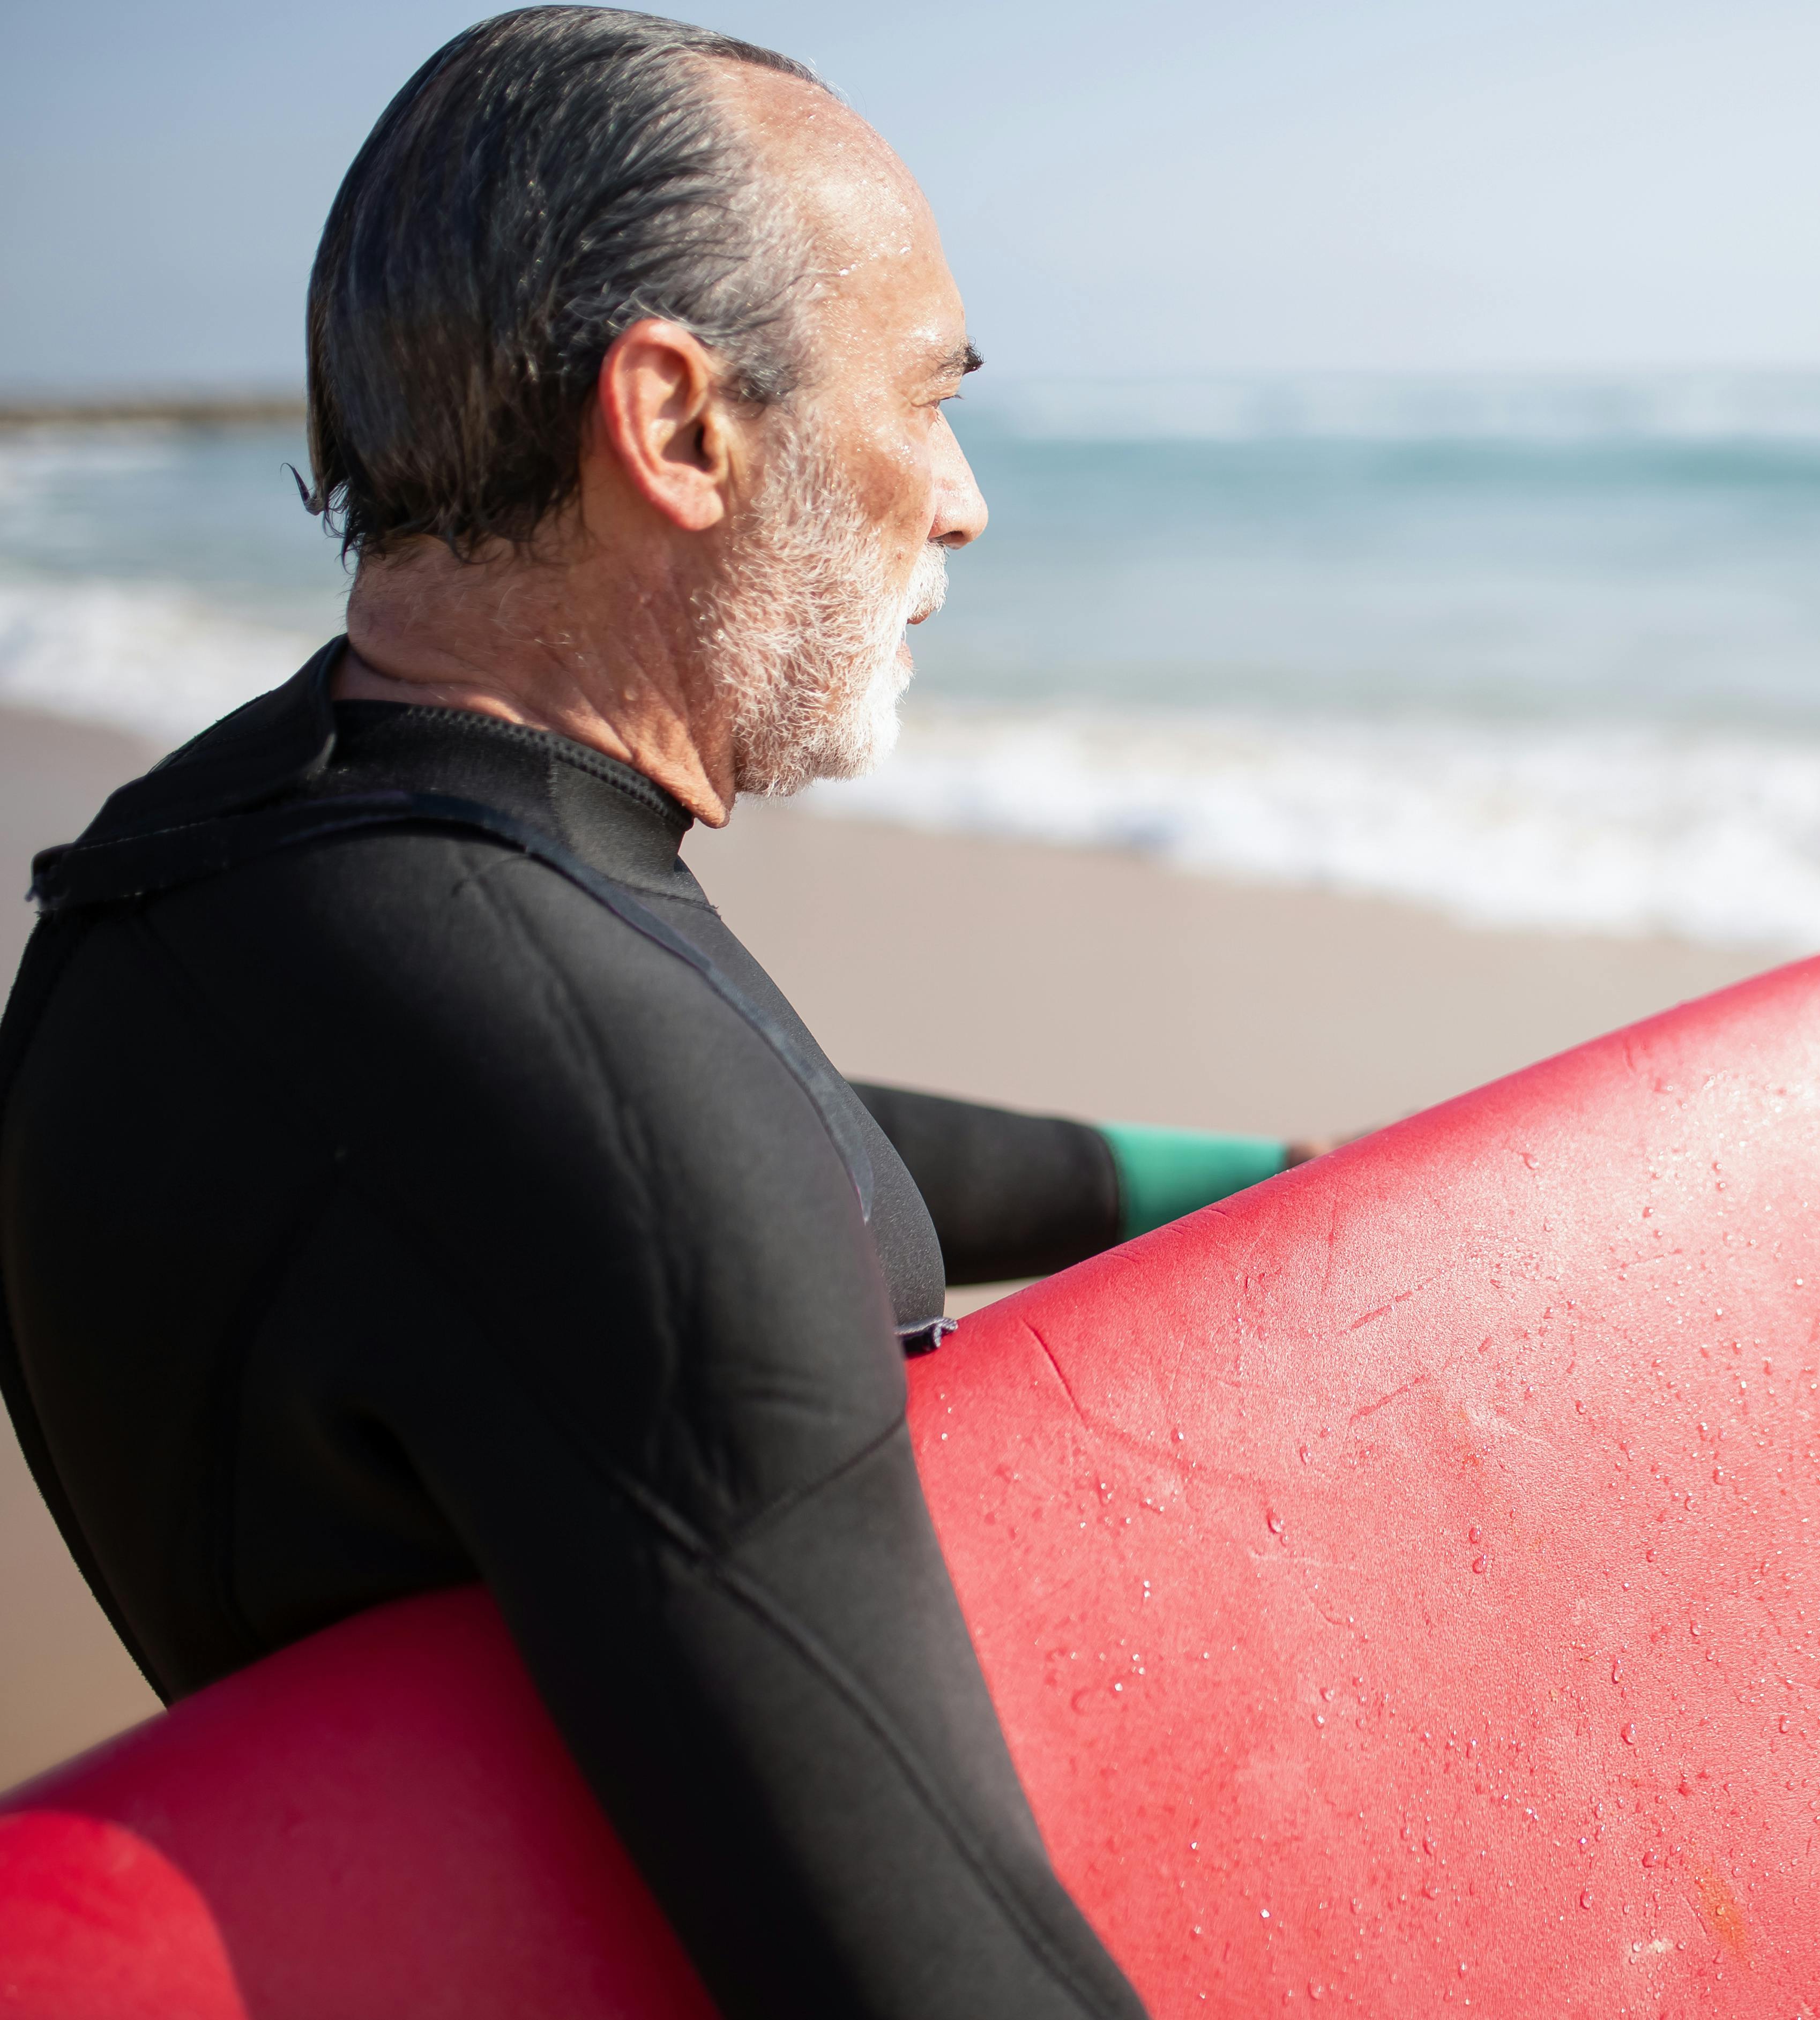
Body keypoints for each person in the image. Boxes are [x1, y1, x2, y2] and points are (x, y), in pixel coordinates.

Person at [0, 11, 1295, 2016]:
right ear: (680, 426)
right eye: (927, 398)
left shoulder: (196, 880)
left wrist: (1209, 1180)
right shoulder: (609, 1128)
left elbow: (678, 1135)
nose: (960, 502)